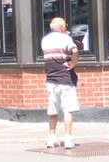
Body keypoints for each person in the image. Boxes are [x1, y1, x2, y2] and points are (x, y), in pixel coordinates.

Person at [41, 17, 79, 149]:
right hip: (65, 78)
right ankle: (67, 139)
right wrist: (73, 62)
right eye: (65, 25)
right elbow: (74, 50)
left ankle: (52, 138)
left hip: (51, 78)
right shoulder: (66, 39)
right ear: (62, 27)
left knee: (53, 110)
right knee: (68, 110)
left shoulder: (45, 40)